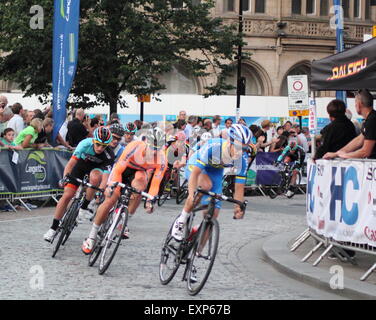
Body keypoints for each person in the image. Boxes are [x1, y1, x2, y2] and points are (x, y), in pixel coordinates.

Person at [81, 128, 167, 253]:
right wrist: (111, 186)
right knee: (111, 199)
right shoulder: (135, 147)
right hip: (122, 170)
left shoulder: (162, 159)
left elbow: (155, 183)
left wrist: (150, 200)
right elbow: (118, 170)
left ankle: (123, 220)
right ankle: (91, 237)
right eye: (152, 149)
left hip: (138, 173)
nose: (153, 153)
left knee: (141, 185)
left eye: (157, 150)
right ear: (146, 143)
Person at [170, 124, 252, 241]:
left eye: (244, 149)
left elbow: (239, 187)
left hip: (215, 171)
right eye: (238, 147)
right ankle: (181, 220)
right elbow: (195, 174)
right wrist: (190, 194)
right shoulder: (214, 146)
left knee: (213, 215)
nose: (240, 152)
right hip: (196, 167)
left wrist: (238, 207)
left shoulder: (242, 159)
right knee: (205, 186)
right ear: (230, 142)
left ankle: (196, 250)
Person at [43, 127, 115, 242]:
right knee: (67, 195)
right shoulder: (84, 144)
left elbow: (105, 178)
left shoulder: (109, 155)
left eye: (103, 146)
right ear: (93, 140)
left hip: (96, 170)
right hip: (80, 167)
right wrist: (65, 178)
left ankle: (84, 207)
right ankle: (53, 228)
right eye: (98, 144)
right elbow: (71, 164)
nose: (100, 148)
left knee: (95, 178)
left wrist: (100, 191)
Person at [324, 89, 376, 160]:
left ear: (359, 104)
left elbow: (365, 152)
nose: (355, 105)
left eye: (355, 103)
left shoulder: (372, 120)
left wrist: (344, 155)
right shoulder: (370, 118)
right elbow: (358, 140)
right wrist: (337, 153)